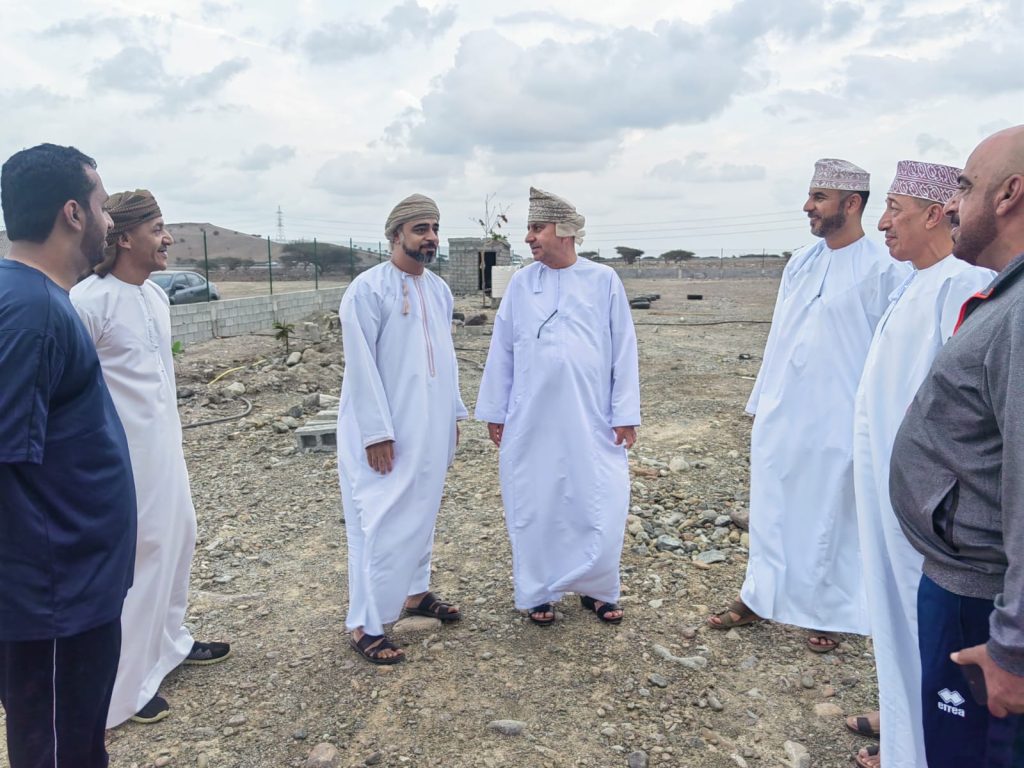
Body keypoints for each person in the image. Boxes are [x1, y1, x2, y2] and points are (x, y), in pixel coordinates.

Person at [708, 159, 910, 652]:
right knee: (773, 505)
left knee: (833, 513)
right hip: (784, 408)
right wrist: (762, 403)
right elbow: (779, 336)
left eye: (819, 197)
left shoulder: (886, 267)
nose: (807, 206)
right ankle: (760, 595)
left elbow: (890, 351)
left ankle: (829, 611)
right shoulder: (800, 262)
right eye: (810, 195)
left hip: (841, 414)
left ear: (852, 203)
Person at [851, 161, 995, 768]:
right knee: (895, 617)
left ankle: (916, 746)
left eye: (895, 209)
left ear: (936, 215)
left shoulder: (963, 283)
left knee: (924, 622)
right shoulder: (916, 280)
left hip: (929, 501)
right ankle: (904, 731)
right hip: (892, 489)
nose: (882, 222)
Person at [890, 125, 1024, 767]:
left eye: (964, 187)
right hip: (970, 586)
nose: (951, 204)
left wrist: (1013, 648)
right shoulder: (1007, 296)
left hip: (983, 602)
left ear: (1009, 194)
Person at [70, 190, 231, 726]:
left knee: (178, 539)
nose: (168, 239)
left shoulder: (156, 296)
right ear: (122, 238)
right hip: (120, 460)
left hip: (166, 448)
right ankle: (125, 686)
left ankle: (169, 647)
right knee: (141, 559)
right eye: (157, 229)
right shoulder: (87, 301)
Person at [0, 144, 136, 767]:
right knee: (56, 748)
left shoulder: (39, 301)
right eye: (103, 206)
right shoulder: (30, 313)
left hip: (71, 588)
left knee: (77, 742)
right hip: (53, 595)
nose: (109, 221)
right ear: (73, 213)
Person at [475, 187, 640, 626]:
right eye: (528, 228)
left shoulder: (603, 280)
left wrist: (625, 413)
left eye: (537, 228)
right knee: (536, 501)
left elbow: (624, 348)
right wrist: (495, 411)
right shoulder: (521, 283)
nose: (528, 237)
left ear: (564, 231)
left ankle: (599, 589)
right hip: (531, 417)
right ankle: (538, 592)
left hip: (592, 416)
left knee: (599, 498)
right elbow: (503, 349)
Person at [337, 193, 467, 664]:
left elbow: (445, 360)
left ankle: (415, 592)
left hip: (431, 423)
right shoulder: (367, 290)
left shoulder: (439, 289)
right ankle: (365, 623)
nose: (431, 237)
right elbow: (360, 367)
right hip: (385, 430)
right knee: (379, 518)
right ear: (396, 235)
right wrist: (376, 433)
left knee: (422, 508)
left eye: (435, 228)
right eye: (420, 229)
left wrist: (454, 414)